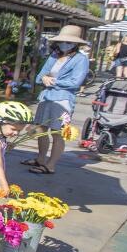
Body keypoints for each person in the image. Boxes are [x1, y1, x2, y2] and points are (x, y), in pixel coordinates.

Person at [21, 25, 89, 175]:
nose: (64, 44)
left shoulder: (80, 59)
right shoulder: (54, 55)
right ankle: (40, 159)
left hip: (63, 100)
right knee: (41, 130)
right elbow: (40, 76)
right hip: (46, 97)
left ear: (75, 43)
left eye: (68, 41)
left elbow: (75, 82)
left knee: (58, 132)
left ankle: (50, 165)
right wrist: (45, 79)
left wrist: (53, 81)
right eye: (62, 41)